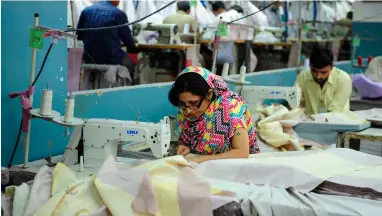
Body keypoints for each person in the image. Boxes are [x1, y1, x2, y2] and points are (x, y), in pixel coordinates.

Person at [168, 66, 260, 163]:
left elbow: (242, 153)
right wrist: (183, 145)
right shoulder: (185, 109)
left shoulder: (231, 108)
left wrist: (201, 159)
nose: (188, 111)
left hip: (236, 169)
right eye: (183, 104)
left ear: (209, 94)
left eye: (194, 103)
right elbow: (185, 136)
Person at [77, 0, 139, 86]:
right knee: (133, 64)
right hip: (112, 59)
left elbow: (79, 36)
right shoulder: (118, 14)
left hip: (89, 58)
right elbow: (129, 42)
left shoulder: (86, 11)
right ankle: (128, 93)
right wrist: (136, 47)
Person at [296, 48, 352, 115]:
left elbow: (334, 110)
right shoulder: (303, 77)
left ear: (331, 67)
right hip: (312, 122)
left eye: (323, 72)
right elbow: (296, 100)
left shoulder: (343, 79)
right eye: (314, 71)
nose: (318, 76)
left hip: (337, 122)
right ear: (310, 65)